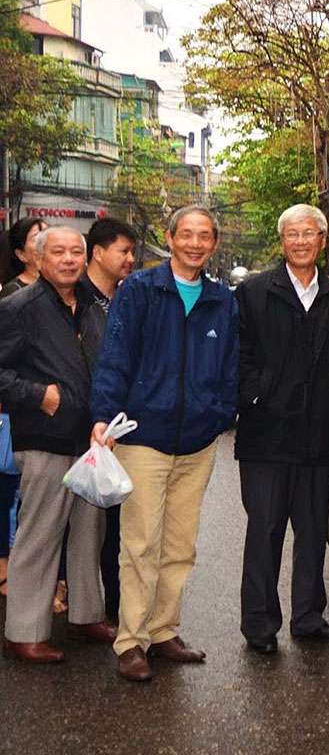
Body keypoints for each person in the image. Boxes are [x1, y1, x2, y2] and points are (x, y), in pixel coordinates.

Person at [91, 205, 239, 682]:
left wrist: (219, 414)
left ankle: (163, 630)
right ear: (171, 238)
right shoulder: (140, 290)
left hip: (197, 442)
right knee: (139, 543)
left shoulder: (222, 300)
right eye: (187, 234)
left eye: (205, 236)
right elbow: (115, 357)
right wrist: (103, 416)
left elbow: (231, 367)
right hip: (143, 437)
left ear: (213, 244)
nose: (195, 243)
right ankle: (131, 640)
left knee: (179, 545)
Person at [234, 205, 329, 655]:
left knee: (311, 532)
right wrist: (257, 394)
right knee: (264, 532)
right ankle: (260, 624)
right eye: (292, 235)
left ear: (322, 241)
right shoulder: (253, 292)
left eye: (309, 234)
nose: (301, 241)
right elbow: (239, 355)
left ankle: (308, 617)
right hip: (266, 437)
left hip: (320, 436)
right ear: (282, 241)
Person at [0, 225, 112, 663]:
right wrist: (40, 395)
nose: (68, 259)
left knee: (89, 533)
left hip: (90, 439)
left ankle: (86, 615)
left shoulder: (90, 306)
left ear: (85, 259)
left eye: (75, 252)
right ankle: (24, 630)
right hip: (46, 436)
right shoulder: (19, 307)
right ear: (39, 259)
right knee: (40, 535)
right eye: (58, 252)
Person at [79, 218, 138, 623]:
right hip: (79, 427)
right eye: (124, 251)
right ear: (98, 252)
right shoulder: (74, 300)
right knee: (80, 527)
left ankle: (114, 609)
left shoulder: (127, 298)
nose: (130, 260)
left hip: (118, 428)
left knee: (117, 526)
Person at [0, 217, 48, 299]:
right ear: (21, 254)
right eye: (37, 238)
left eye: (49, 235)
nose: (46, 242)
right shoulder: (13, 292)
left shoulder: (64, 284)